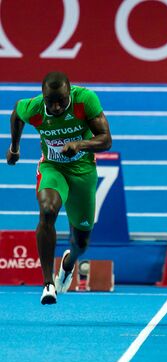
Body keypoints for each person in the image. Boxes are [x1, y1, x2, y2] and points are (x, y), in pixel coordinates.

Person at [6, 72, 112, 305]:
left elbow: (106, 139)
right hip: (53, 168)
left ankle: (67, 264)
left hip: (82, 171)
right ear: (43, 97)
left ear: (69, 93)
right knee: (48, 209)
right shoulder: (34, 108)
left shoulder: (85, 100)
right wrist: (14, 147)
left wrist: (80, 144)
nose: (55, 107)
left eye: (61, 101)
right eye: (50, 101)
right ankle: (48, 284)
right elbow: (16, 113)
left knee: (81, 243)